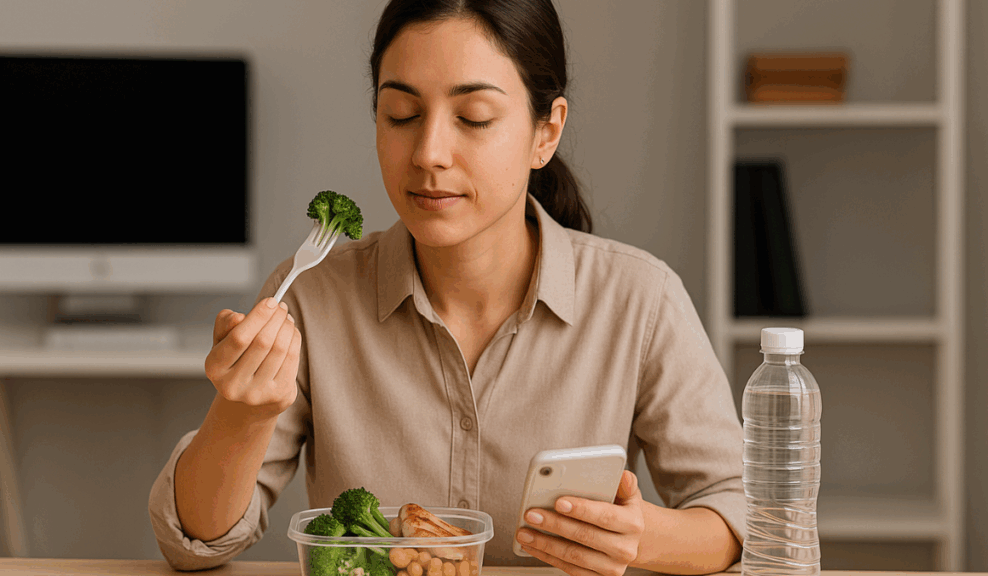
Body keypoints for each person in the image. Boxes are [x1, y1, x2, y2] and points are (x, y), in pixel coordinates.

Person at [149, 1, 746, 574]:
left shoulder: (641, 301)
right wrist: (240, 415)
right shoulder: (309, 297)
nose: (429, 153)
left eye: (474, 118)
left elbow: (742, 512)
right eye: (401, 114)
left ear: (546, 132)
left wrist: (641, 536)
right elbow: (196, 542)